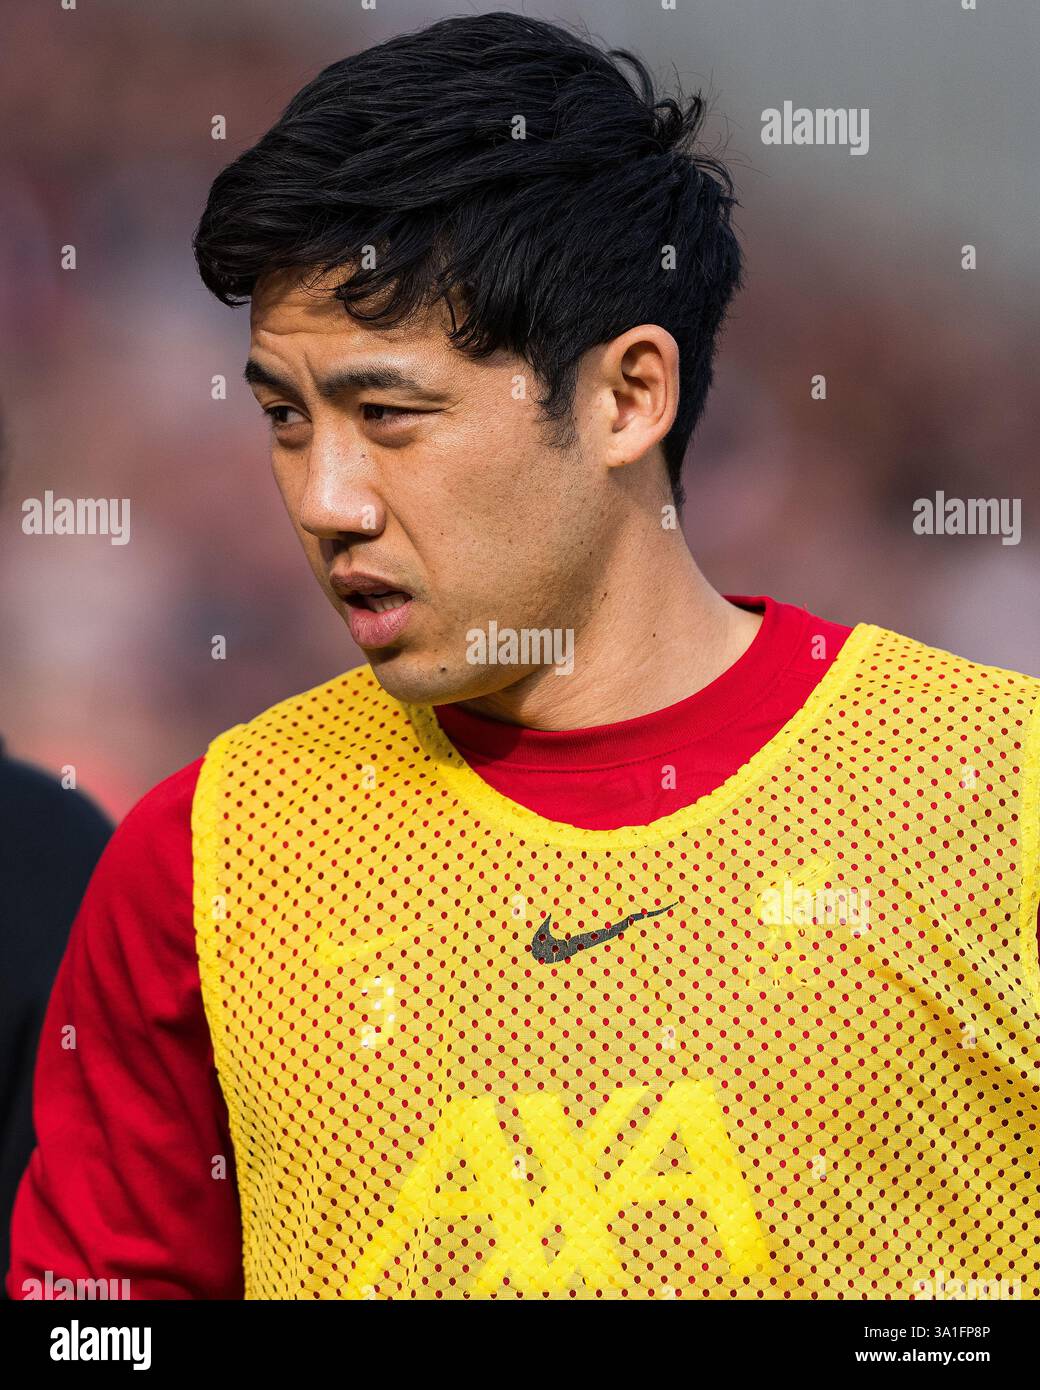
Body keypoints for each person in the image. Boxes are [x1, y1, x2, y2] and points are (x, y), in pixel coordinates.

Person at [8, 12, 1040, 1301]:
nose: (327, 496)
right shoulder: (199, 858)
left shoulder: (1004, 793)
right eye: (285, 417)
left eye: (388, 415)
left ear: (627, 398)